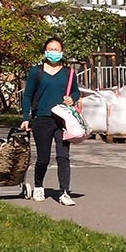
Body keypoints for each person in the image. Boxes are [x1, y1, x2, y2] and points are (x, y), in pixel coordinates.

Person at [19, 36, 81, 205]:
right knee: (43, 158)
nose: (54, 52)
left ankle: (64, 192)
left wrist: (72, 98)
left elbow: (76, 91)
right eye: (51, 49)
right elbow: (28, 95)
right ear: (45, 52)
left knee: (63, 156)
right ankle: (39, 186)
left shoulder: (69, 73)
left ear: (62, 52)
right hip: (42, 118)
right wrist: (26, 118)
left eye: (57, 49)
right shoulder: (36, 72)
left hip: (63, 119)